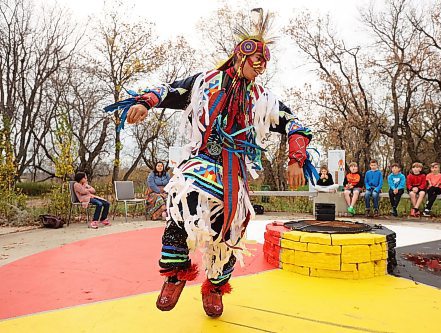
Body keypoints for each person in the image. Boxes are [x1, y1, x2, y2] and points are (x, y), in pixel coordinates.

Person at [104, 9, 314, 318]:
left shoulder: (262, 98)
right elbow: (167, 90)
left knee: (229, 232)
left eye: (264, 65)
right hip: (201, 161)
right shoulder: (205, 82)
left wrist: (297, 159)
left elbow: (295, 124)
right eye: (256, 62)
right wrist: (143, 102)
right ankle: (175, 276)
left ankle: (215, 287)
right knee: (181, 200)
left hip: (234, 173)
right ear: (239, 58)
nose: (260, 68)